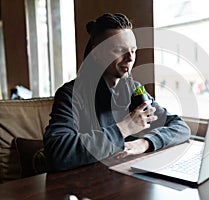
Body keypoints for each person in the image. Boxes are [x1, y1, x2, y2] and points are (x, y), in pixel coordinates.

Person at [44, 13, 191, 172]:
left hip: (129, 179)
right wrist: (125, 128)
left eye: (133, 50)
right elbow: (56, 153)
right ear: (97, 53)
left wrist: (145, 143)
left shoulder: (135, 89)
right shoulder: (71, 94)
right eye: (120, 50)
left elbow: (181, 127)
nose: (130, 58)